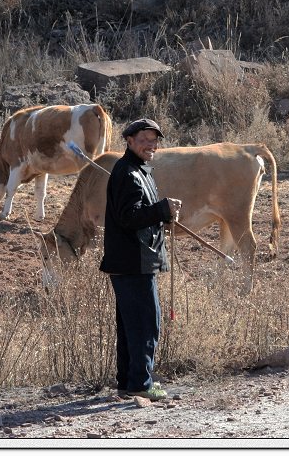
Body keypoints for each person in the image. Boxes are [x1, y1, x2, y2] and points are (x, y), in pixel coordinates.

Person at [100, 118, 182, 401]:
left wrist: (164, 216)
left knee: (131, 327)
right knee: (146, 324)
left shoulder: (139, 171)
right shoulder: (128, 173)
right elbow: (129, 217)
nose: (150, 145)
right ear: (130, 141)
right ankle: (141, 385)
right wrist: (161, 209)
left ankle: (129, 383)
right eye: (144, 139)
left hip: (134, 261)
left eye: (154, 140)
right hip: (133, 262)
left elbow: (139, 215)